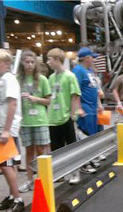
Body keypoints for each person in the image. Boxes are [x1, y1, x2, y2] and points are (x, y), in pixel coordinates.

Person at [0, 49, 24, 212]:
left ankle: (18, 199)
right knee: (9, 165)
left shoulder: (9, 80)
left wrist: (7, 130)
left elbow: (12, 104)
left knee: (6, 165)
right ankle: (11, 195)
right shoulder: (1, 80)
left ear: (7, 64)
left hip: (5, 129)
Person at [16, 50, 52, 192]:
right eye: (27, 62)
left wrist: (35, 99)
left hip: (40, 120)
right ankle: (29, 180)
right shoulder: (18, 79)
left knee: (41, 150)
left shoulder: (42, 79)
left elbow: (48, 101)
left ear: (36, 63)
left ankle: (43, 178)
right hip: (25, 121)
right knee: (29, 151)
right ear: (22, 63)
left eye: (32, 62)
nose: (30, 65)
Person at [46, 48, 84, 184]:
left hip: (66, 117)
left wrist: (73, 114)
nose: (47, 62)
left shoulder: (69, 76)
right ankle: (60, 173)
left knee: (71, 147)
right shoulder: (50, 78)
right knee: (56, 148)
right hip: (52, 118)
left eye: (49, 59)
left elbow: (74, 95)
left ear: (57, 59)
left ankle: (75, 172)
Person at [73, 47, 104, 174]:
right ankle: (84, 163)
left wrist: (99, 104)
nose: (94, 60)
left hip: (93, 107)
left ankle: (92, 157)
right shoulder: (78, 71)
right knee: (85, 136)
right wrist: (79, 108)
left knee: (94, 134)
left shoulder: (90, 71)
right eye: (92, 58)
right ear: (86, 58)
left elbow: (95, 89)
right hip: (85, 108)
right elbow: (76, 91)